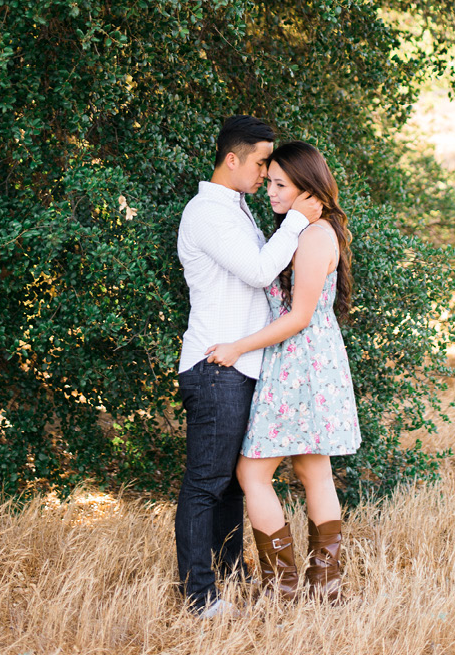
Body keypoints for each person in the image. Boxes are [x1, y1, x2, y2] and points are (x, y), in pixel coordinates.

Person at [175, 116, 323, 618]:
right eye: (261, 163)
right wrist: (300, 220)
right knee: (205, 484)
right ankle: (199, 598)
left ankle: (231, 579)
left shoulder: (237, 211)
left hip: (239, 364)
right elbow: (262, 271)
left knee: (231, 485)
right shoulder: (208, 213)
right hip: (215, 365)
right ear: (232, 160)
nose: (265, 174)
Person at [206, 140, 360, 605]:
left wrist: (237, 347)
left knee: (253, 472)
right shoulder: (303, 231)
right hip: (299, 361)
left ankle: (287, 586)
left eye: (280, 185)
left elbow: (298, 317)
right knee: (314, 473)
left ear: (307, 188)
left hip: (302, 362)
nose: (270, 192)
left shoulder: (314, 237)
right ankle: (319, 589)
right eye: (268, 182)